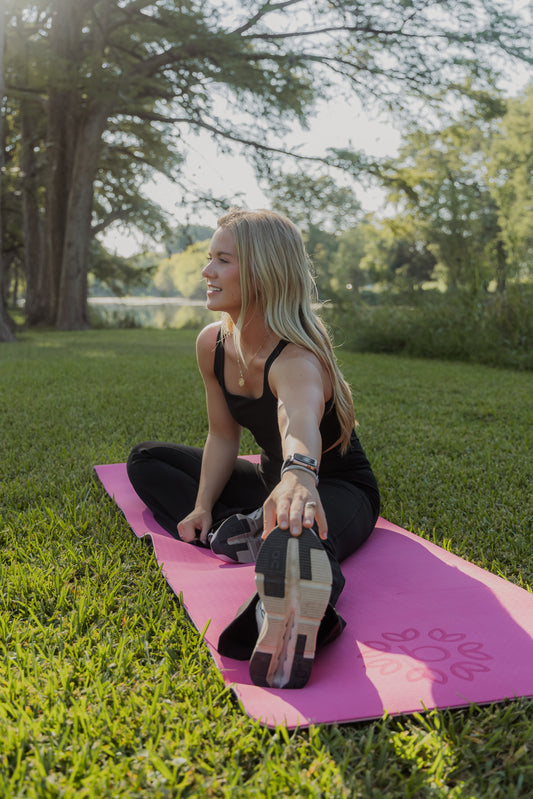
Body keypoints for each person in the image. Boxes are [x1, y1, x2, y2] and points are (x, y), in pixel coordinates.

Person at [127, 208, 380, 689]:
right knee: (148, 460)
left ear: (262, 273)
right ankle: (242, 530)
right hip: (272, 481)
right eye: (210, 258)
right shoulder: (212, 344)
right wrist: (202, 505)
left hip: (336, 487)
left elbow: (298, 419)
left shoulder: (298, 355)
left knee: (305, 534)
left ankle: (297, 614)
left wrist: (300, 474)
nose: (207, 272)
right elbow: (223, 435)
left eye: (222, 260)